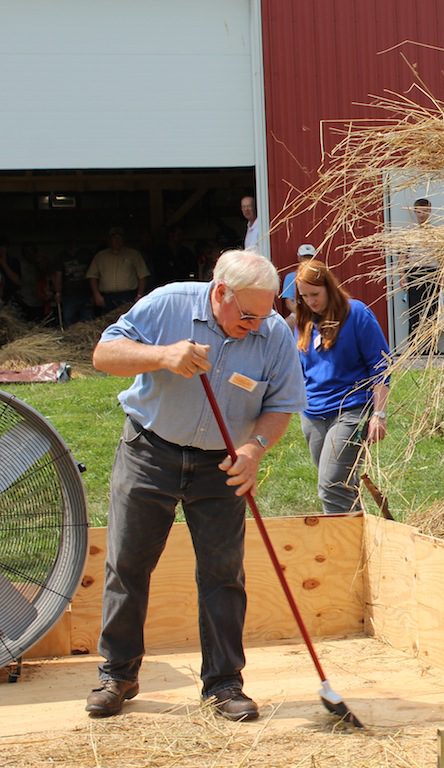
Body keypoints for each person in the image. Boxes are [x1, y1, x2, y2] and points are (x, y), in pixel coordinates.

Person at [86, 250, 305, 722]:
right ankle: (117, 674)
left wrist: (254, 450)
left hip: (222, 464)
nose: (256, 325)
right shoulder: (169, 303)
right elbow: (104, 354)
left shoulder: (273, 332)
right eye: (247, 315)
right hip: (150, 450)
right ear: (219, 292)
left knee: (223, 573)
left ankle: (224, 684)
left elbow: (282, 403)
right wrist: (162, 355)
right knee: (128, 562)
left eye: (263, 315)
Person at [294, 260, 391, 513]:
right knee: (342, 486)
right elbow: (299, 369)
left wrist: (379, 414)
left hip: (351, 410)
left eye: (315, 294)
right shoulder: (304, 321)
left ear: (329, 287)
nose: (310, 301)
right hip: (313, 413)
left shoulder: (355, 313)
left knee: (331, 485)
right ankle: (358, 533)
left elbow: (381, 364)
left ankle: (339, 537)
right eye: (304, 296)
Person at [402, 198, 439, 351]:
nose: (422, 214)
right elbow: (403, 255)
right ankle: (414, 347)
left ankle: (431, 347)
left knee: (432, 309)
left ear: (429, 211)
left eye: (425, 211)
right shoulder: (410, 233)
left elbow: (442, 255)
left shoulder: (436, 233)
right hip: (415, 272)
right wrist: (403, 276)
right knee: (415, 309)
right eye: (418, 211)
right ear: (415, 212)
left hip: (432, 272)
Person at [87, 227, 150, 312]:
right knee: (108, 319)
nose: (117, 240)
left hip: (128, 296)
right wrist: (96, 295)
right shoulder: (100, 256)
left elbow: (143, 275)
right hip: (108, 298)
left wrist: (139, 295)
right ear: (109, 240)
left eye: (119, 238)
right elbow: (92, 276)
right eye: (114, 238)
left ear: (123, 239)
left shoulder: (134, 254)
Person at [280, 243, 318, 327]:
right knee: (286, 325)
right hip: (298, 312)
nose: (307, 260)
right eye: (304, 257)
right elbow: (289, 302)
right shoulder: (291, 277)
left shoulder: (320, 275)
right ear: (299, 258)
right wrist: (303, 315)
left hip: (317, 312)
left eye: (310, 257)